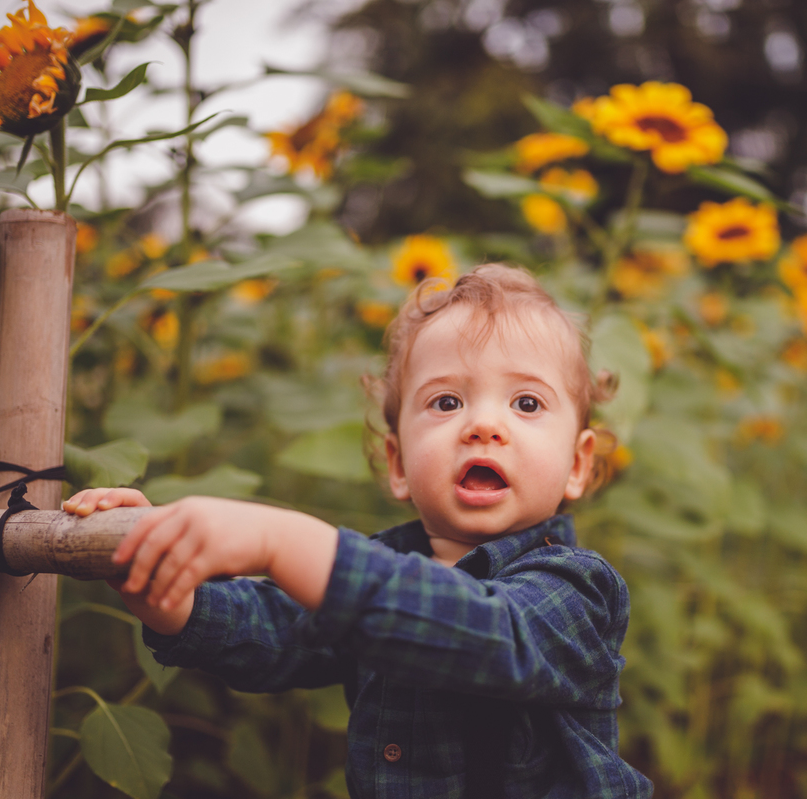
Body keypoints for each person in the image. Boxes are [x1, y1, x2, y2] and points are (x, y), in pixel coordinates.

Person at [63, 264, 654, 798]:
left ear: (577, 464)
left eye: (526, 403)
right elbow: (279, 627)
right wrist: (174, 597)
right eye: (446, 401)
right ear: (398, 463)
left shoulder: (577, 590)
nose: (484, 425)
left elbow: (489, 637)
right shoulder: (381, 565)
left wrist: (285, 542)